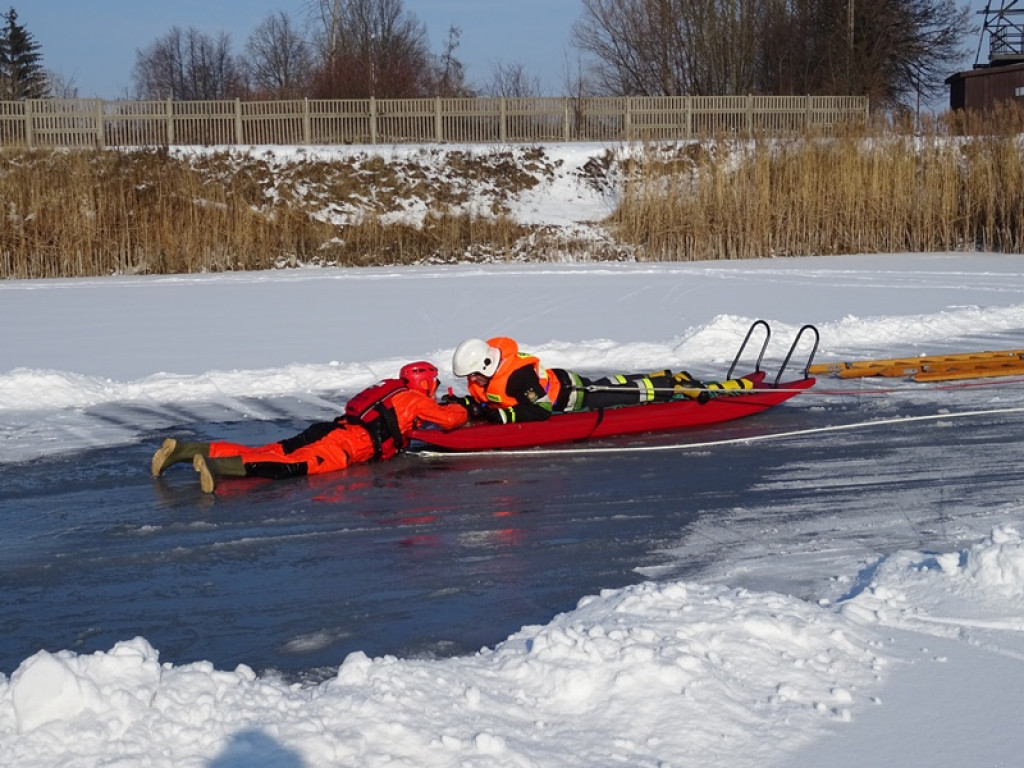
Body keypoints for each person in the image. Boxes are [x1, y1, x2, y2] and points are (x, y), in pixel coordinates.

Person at [152, 361, 469, 493]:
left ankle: (185, 450)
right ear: (424, 383)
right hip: (345, 445)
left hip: (330, 429)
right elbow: (450, 420)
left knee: (272, 449)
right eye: (434, 383)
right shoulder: (414, 399)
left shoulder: (390, 388)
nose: (435, 388)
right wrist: (464, 407)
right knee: (290, 465)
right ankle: (214, 466)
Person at [447, 337, 754, 424]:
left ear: (487, 363)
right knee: (615, 382)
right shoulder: (485, 377)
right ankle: (664, 378)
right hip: (563, 382)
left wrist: (503, 417)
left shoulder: (518, 376)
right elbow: (489, 399)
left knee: (628, 394)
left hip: (572, 395)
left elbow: (541, 410)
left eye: (474, 374)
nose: (472, 380)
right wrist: (467, 404)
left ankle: (679, 386)